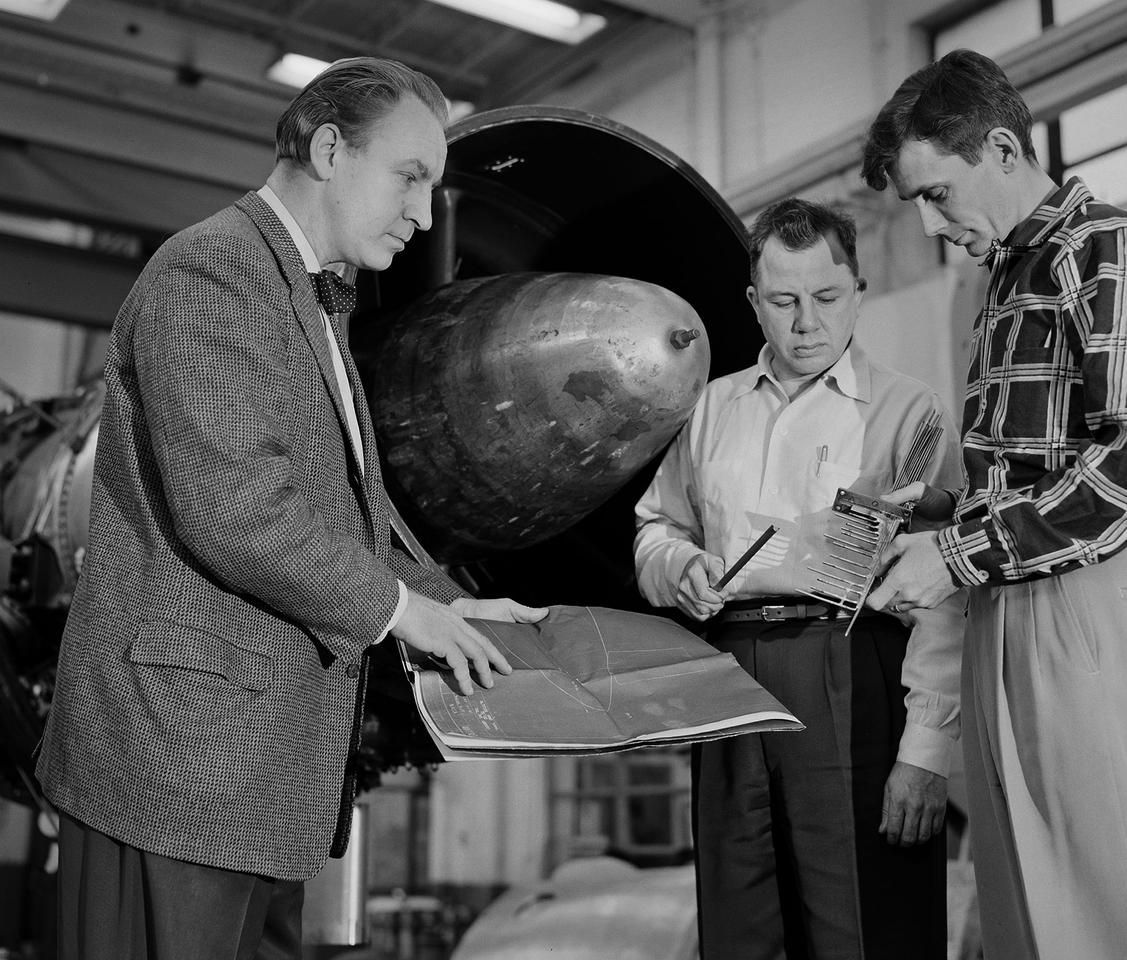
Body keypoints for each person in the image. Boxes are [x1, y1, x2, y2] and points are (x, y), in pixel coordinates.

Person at [35, 58, 546, 960]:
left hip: (260, 783)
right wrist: (404, 613)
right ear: (327, 149)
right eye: (411, 176)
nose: (425, 214)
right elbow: (235, 507)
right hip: (176, 771)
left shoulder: (313, 300)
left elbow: (345, 510)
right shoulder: (214, 273)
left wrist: (447, 599)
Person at [860, 49, 1127, 960]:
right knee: (1033, 922)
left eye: (938, 194)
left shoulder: (1113, 248)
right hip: (1009, 603)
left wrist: (953, 554)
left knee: (1116, 925)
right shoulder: (1008, 280)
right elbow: (1039, 468)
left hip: (1087, 608)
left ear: (1003, 148)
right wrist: (944, 507)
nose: (936, 226)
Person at [634, 197, 964, 959]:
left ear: (859, 292)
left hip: (850, 665)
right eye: (783, 302)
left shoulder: (909, 413)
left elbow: (948, 597)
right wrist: (679, 568)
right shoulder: (710, 409)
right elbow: (658, 527)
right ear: (754, 303)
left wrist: (925, 751)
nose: (806, 322)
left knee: (863, 922)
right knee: (740, 921)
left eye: (826, 298)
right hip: (729, 677)